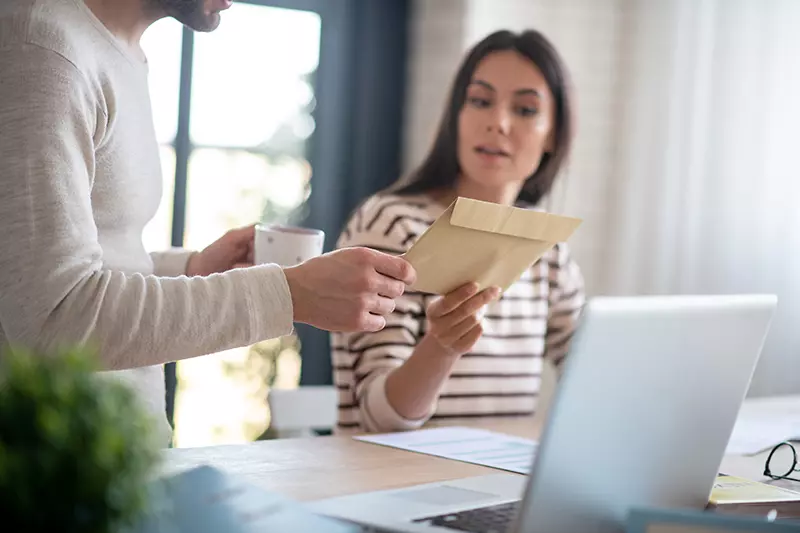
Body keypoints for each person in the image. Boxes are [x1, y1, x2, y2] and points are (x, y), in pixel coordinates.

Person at [0, 0, 415, 446]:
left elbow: (88, 265)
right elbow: (54, 316)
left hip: (117, 461)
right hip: (54, 474)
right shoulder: (44, 49)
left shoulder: (114, 50)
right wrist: (288, 295)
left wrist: (192, 269)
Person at [332, 30, 585, 433]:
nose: (497, 123)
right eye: (480, 101)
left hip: (502, 472)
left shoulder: (548, 250)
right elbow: (377, 418)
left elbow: (591, 373)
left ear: (553, 133)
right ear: (457, 115)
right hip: (396, 470)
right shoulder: (392, 224)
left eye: (525, 109)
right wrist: (441, 347)